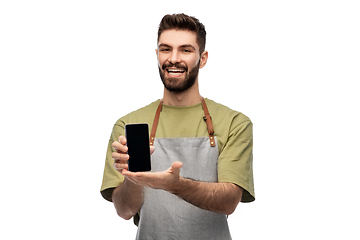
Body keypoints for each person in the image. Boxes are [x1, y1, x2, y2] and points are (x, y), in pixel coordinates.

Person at [100, 13, 255, 239]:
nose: (173, 58)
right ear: (157, 55)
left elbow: (229, 201)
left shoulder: (234, 123)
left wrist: (175, 185)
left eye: (185, 50)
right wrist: (132, 177)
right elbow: (124, 211)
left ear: (202, 58)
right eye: (165, 49)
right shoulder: (127, 125)